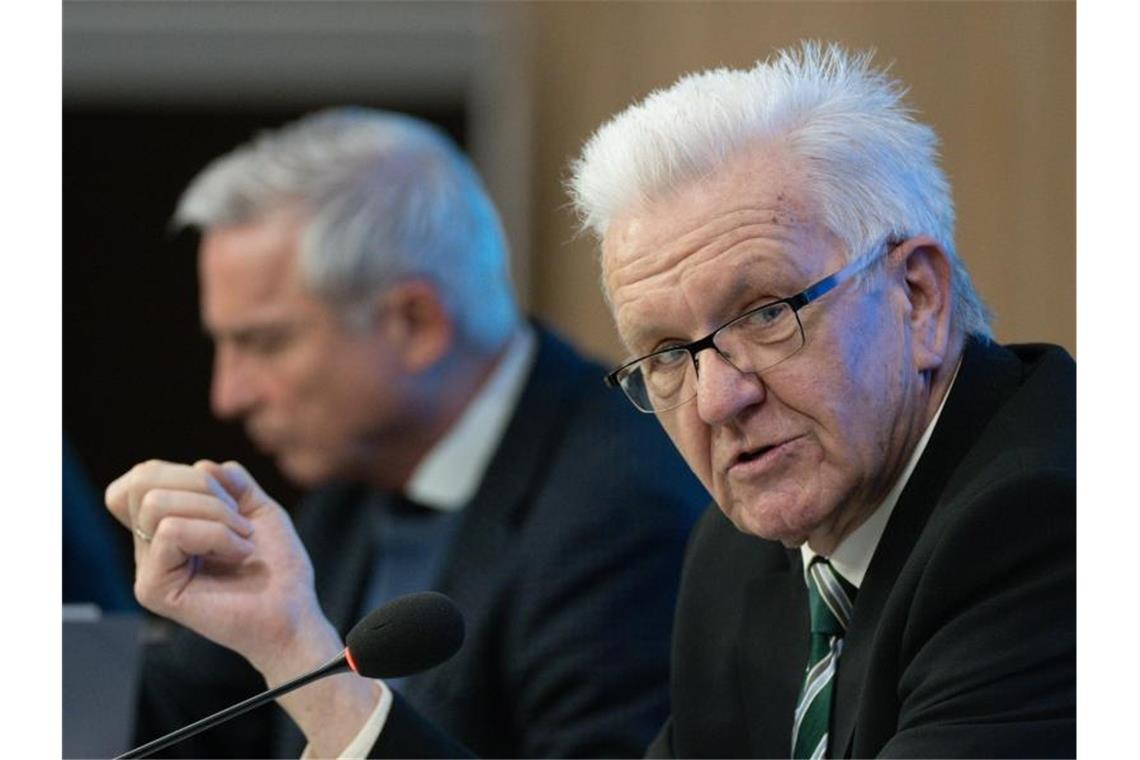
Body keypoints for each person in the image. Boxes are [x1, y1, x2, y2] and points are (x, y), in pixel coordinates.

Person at [107, 41, 1075, 758]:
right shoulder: (741, 561)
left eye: (770, 311)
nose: (720, 394)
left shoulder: (1050, 520)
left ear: (918, 297)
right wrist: (292, 649)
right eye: (663, 353)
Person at [112, 108, 707, 758]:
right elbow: (194, 727)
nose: (228, 395)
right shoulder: (355, 477)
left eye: (264, 342)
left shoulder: (622, 507)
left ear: (415, 323)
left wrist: (307, 668)